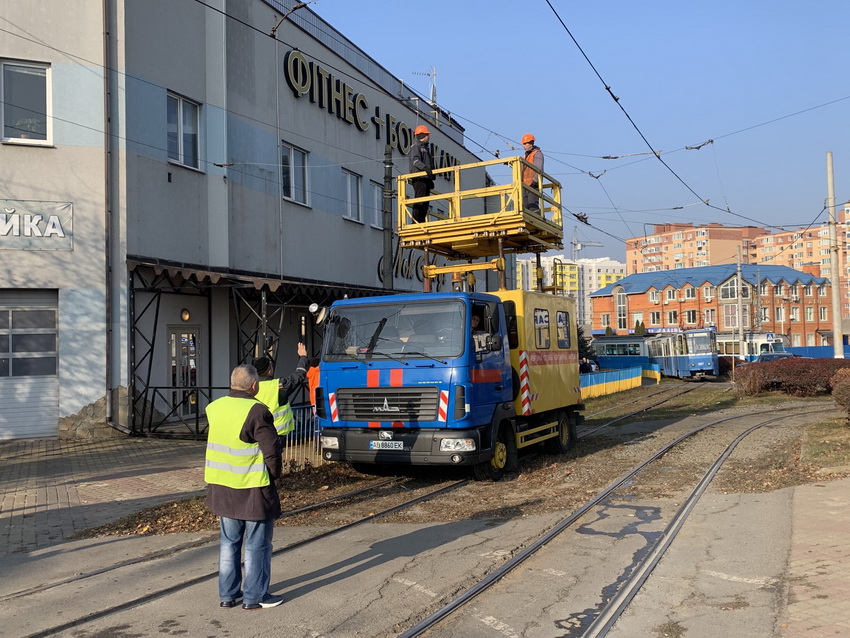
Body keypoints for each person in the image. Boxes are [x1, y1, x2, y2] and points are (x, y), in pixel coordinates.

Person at [205, 364, 283, 611]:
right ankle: (255, 596)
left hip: (221, 486)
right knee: (257, 544)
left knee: (229, 543)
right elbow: (271, 449)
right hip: (251, 488)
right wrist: (274, 475)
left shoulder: (214, 407)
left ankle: (228, 595)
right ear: (254, 385)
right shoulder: (257, 410)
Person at [253, 343, 308, 437]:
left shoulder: (251, 386)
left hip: (258, 432)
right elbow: (299, 374)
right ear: (269, 371)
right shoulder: (278, 385)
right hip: (277, 433)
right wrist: (303, 356)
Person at [408, 124, 435, 223]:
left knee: (425, 202)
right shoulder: (416, 147)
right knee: (420, 200)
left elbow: (429, 163)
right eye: (427, 134)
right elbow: (415, 161)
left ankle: (421, 220)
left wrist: (431, 176)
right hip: (419, 178)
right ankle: (416, 221)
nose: (429, 136)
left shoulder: (426, 149)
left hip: (425, 178)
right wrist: (425, 169)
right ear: (422, 135)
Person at [521, 133, 544, 212]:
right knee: (524, 207)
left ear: (531, 143)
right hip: (524, 185)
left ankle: (536, 220)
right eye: (523, 144)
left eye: (525, 144)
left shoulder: (537, 154)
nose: (524, 146)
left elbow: (538, 168)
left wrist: (534, 181)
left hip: (533, 185)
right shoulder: (526, 156)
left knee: (532, 206)